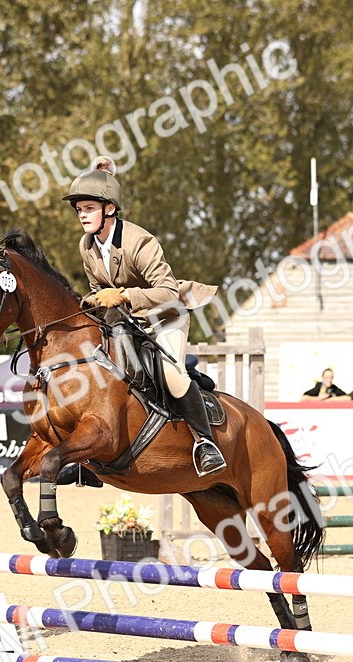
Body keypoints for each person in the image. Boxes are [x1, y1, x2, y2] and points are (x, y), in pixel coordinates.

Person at [61, 156, 225, 477]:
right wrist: (90, 300)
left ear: (109, 208)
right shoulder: (87, 245)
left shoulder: (139, 241)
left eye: (88, 208)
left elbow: (167, 291)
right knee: (98, 370)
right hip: (127, 321)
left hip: (166, 316)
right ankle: (89, 458)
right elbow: (98, 288)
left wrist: (123, 295)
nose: (82, 215)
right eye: (79, 209)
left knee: (172, 375)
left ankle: (206, 443)